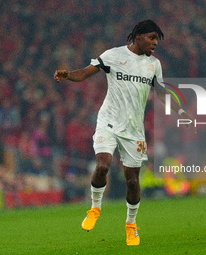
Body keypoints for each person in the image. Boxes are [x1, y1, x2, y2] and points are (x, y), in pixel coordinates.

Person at [54, 20, 192, 246]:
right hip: (108, 121)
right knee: (103, 165)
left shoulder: (154, 65)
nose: (155, 43)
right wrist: (68, 75)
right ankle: (95, 209)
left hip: (133, 129)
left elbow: (162, 93)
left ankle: (131, 225)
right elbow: (85, 73)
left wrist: (182, 112)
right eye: (151, 37)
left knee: (132, 181)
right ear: (137, 37)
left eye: (157, 39)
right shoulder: (113, 56)